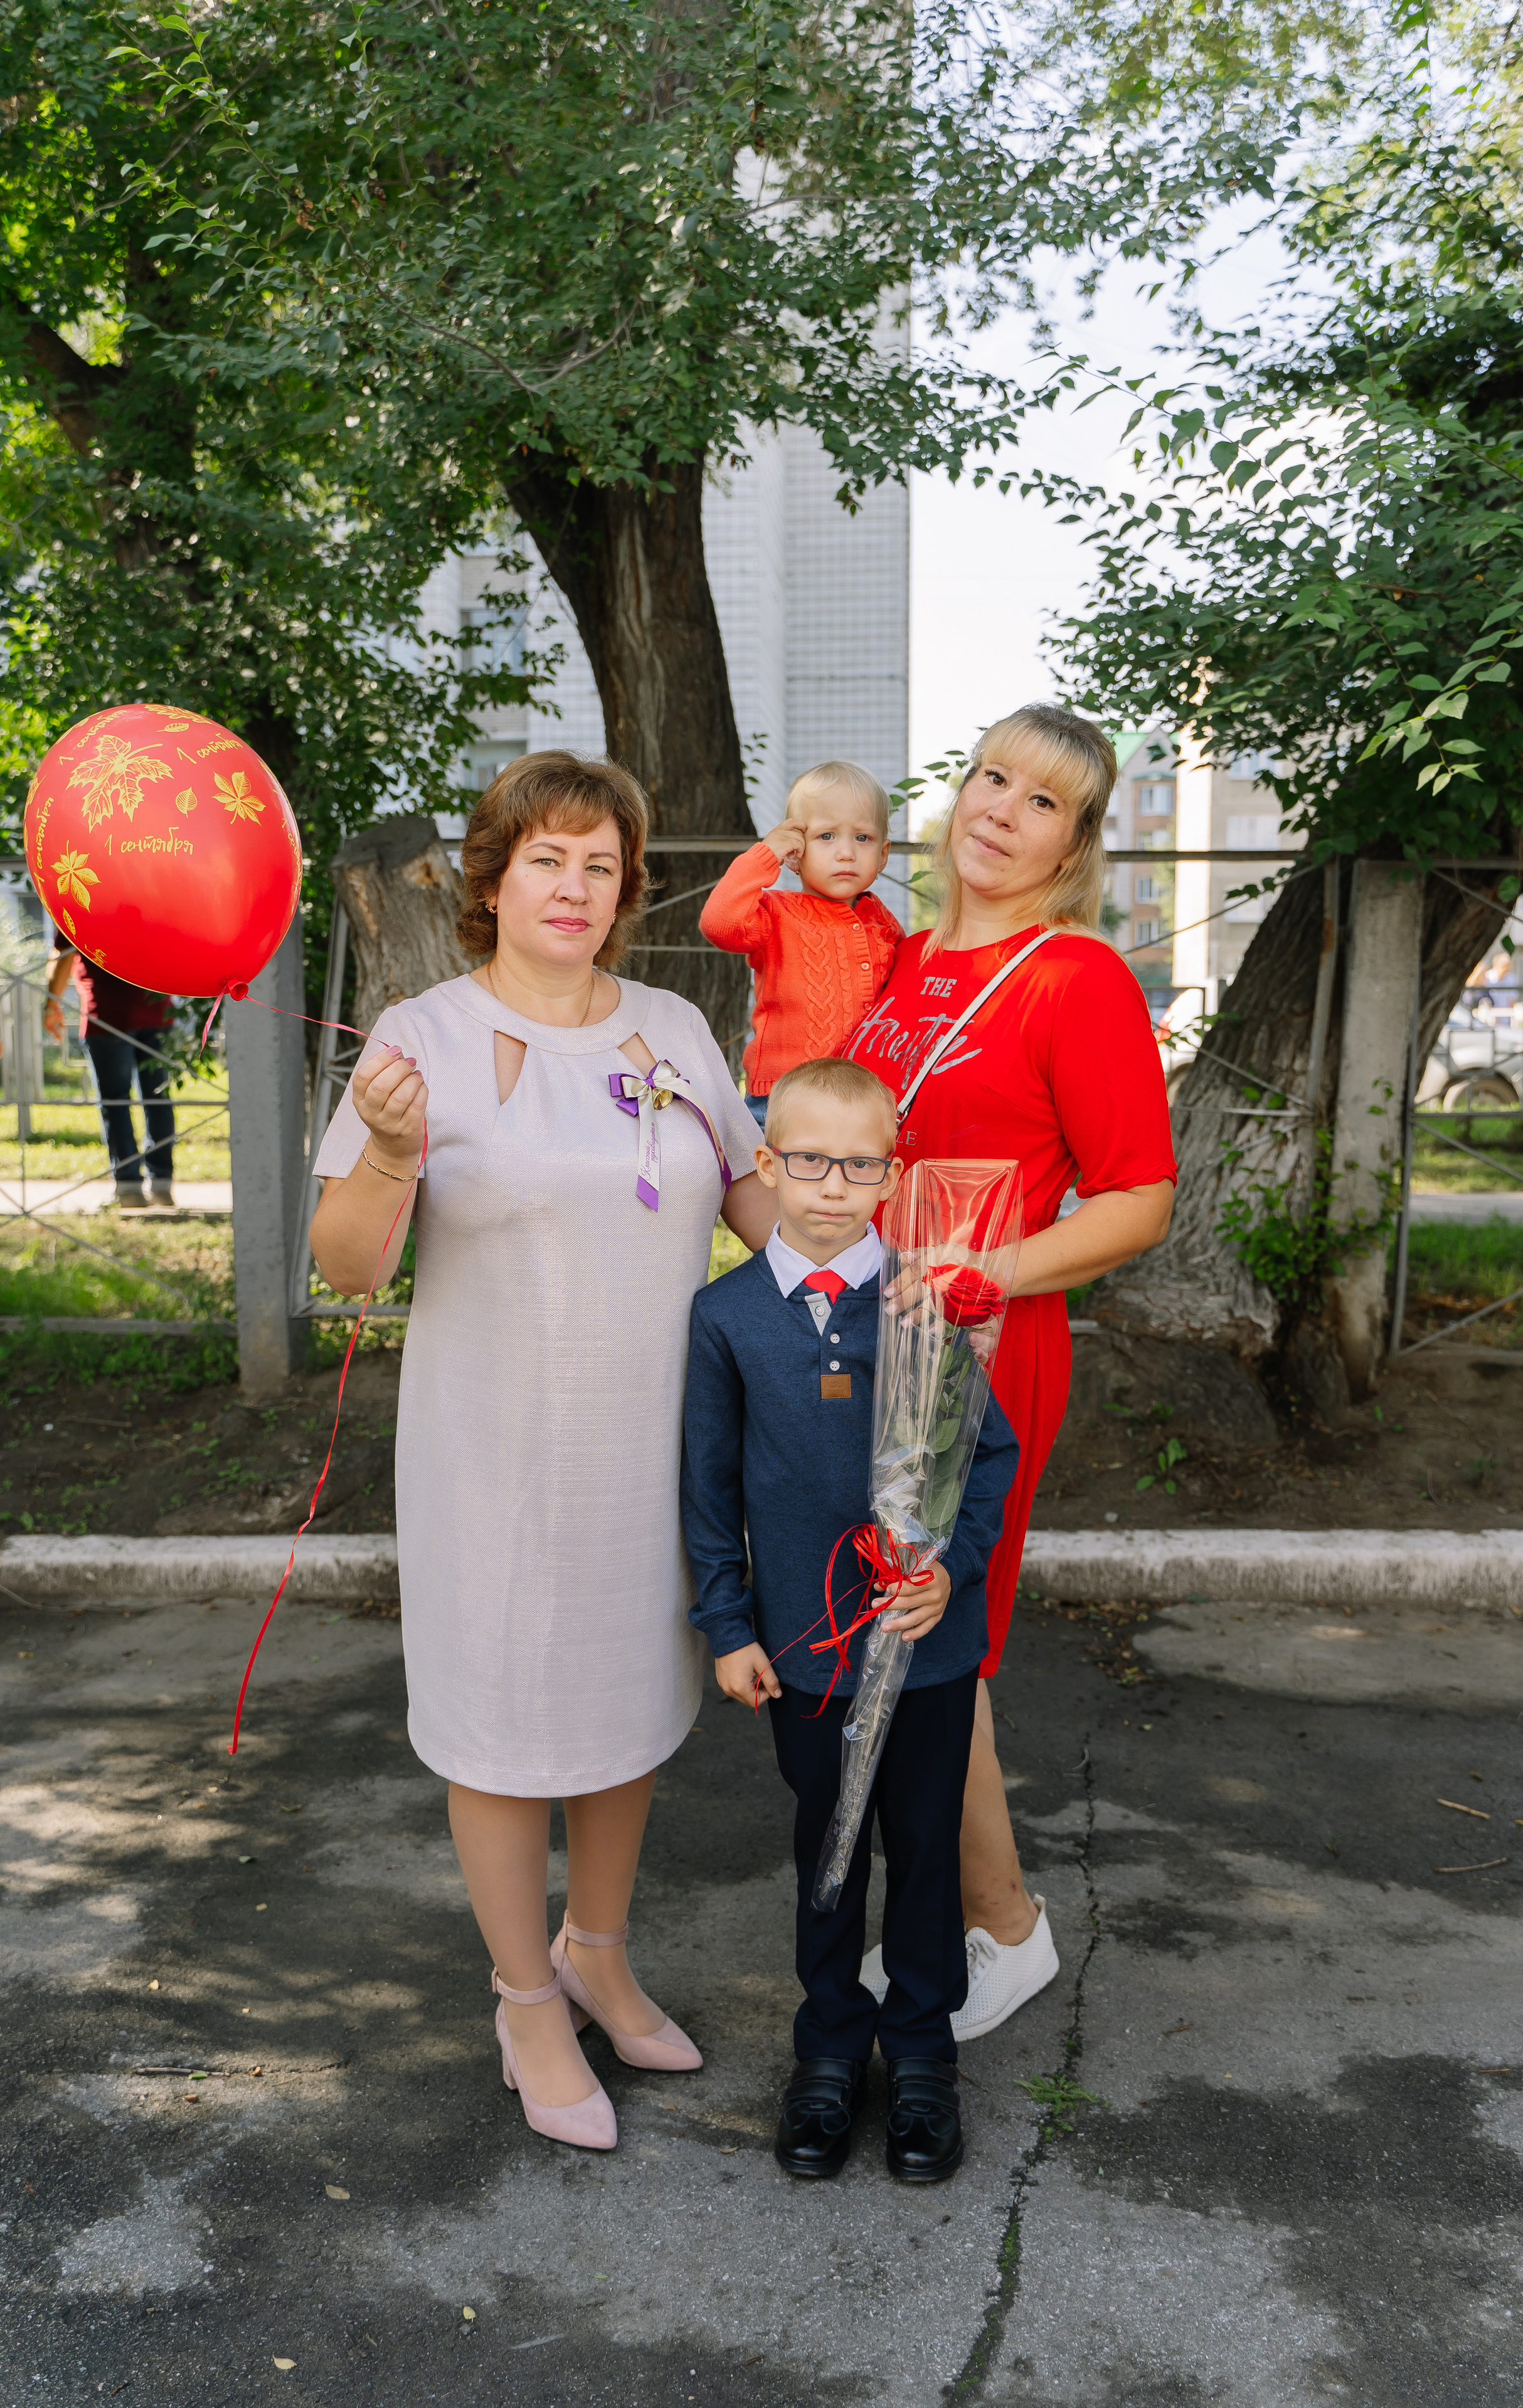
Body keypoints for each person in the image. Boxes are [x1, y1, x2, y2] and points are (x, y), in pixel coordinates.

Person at [309, 752, 778, 2155]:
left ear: (628, 889)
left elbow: (756, 1194)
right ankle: (524, 1999)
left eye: (600, 864)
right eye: (544, 860)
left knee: (626, 1710)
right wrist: (390, 1157)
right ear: (492, 879)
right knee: (507, 1731)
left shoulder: (679, 1031)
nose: (573, 887)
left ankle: (600, 1951)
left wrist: (883, 1274)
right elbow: (341, 1266)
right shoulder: (420, 1036)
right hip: (490, 1459)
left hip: (651, 1448)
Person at [841, 704, 1177, 2041]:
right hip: (867, 1329)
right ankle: (949, 1912)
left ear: (1076, 841)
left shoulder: (1074, 977)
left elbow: (1138, 1197)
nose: (1000, 809)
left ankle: (1002, 1927)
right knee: (884, 1623)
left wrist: (994, 1272)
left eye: (1042, 801)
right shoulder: (896, 959)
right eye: (989, 777)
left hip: (981, 1343)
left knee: (936, 1637)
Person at [680, 1056, 1017, 2182]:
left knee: (924, 1851)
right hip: (806, 1650)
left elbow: (990, 1459)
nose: (833, 1185)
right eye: (810, 1160)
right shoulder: (725, 1316)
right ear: (768, 1164)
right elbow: (708, 1486)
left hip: (925, 1647)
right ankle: (827, 2046)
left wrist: (950, 1574)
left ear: (893, 1173)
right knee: (828, 1849)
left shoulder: (928, 1300)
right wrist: (728, 1626)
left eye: (860, 1164)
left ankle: (920, 2053)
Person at [699, 762, 903, 1129]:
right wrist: (765, 855)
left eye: (863, 838)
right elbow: (720, 924)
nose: (846, 853)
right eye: (827, 837)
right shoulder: (775, 914)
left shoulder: (882, 923)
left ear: (884, 853)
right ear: (795, 852)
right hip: (783, 1099)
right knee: (775, 1186)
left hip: (866, 1101)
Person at [44, 931, 176, 1207]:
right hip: (158, 1010)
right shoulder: (152, 892)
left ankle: (129, 1188)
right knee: (158, 1098)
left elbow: (65, 955)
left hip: (108, 1015)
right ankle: (162, 1184)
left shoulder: (77, 891)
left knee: (116, 1102)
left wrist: (51, 1004)